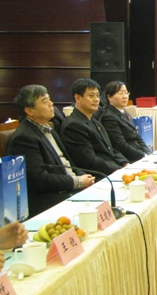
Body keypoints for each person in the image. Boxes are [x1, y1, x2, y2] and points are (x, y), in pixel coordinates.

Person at [7, 85, 95, 217]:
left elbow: (67, 162)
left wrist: (84, 177)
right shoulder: (24, 138)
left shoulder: (48, 129)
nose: (51, 104)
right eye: (45, 101)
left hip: (70, 188)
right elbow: (39, 180)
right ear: (29, 110)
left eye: (49, 99)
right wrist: (78, 182)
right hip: (50, 199)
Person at [61, 78, 129, 175]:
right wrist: (118, 170)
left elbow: (110, 149)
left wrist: (125, 163)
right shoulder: (74, 125)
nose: (96, 99)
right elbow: (90, 160)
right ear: (78, 98)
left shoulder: (95, 121)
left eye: (97, 95)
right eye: (91, 96)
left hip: (111, 169)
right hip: (97, 175)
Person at [100, 81, 151, 162]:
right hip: (127, 158)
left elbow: (137, 136)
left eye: (126, 93)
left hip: (138, 153)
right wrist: (143, 155)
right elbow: (120, 145)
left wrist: (148, 152)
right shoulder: (109, 117)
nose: (124, 96)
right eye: (120, 93)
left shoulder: (124, 112)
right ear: (109, 97)